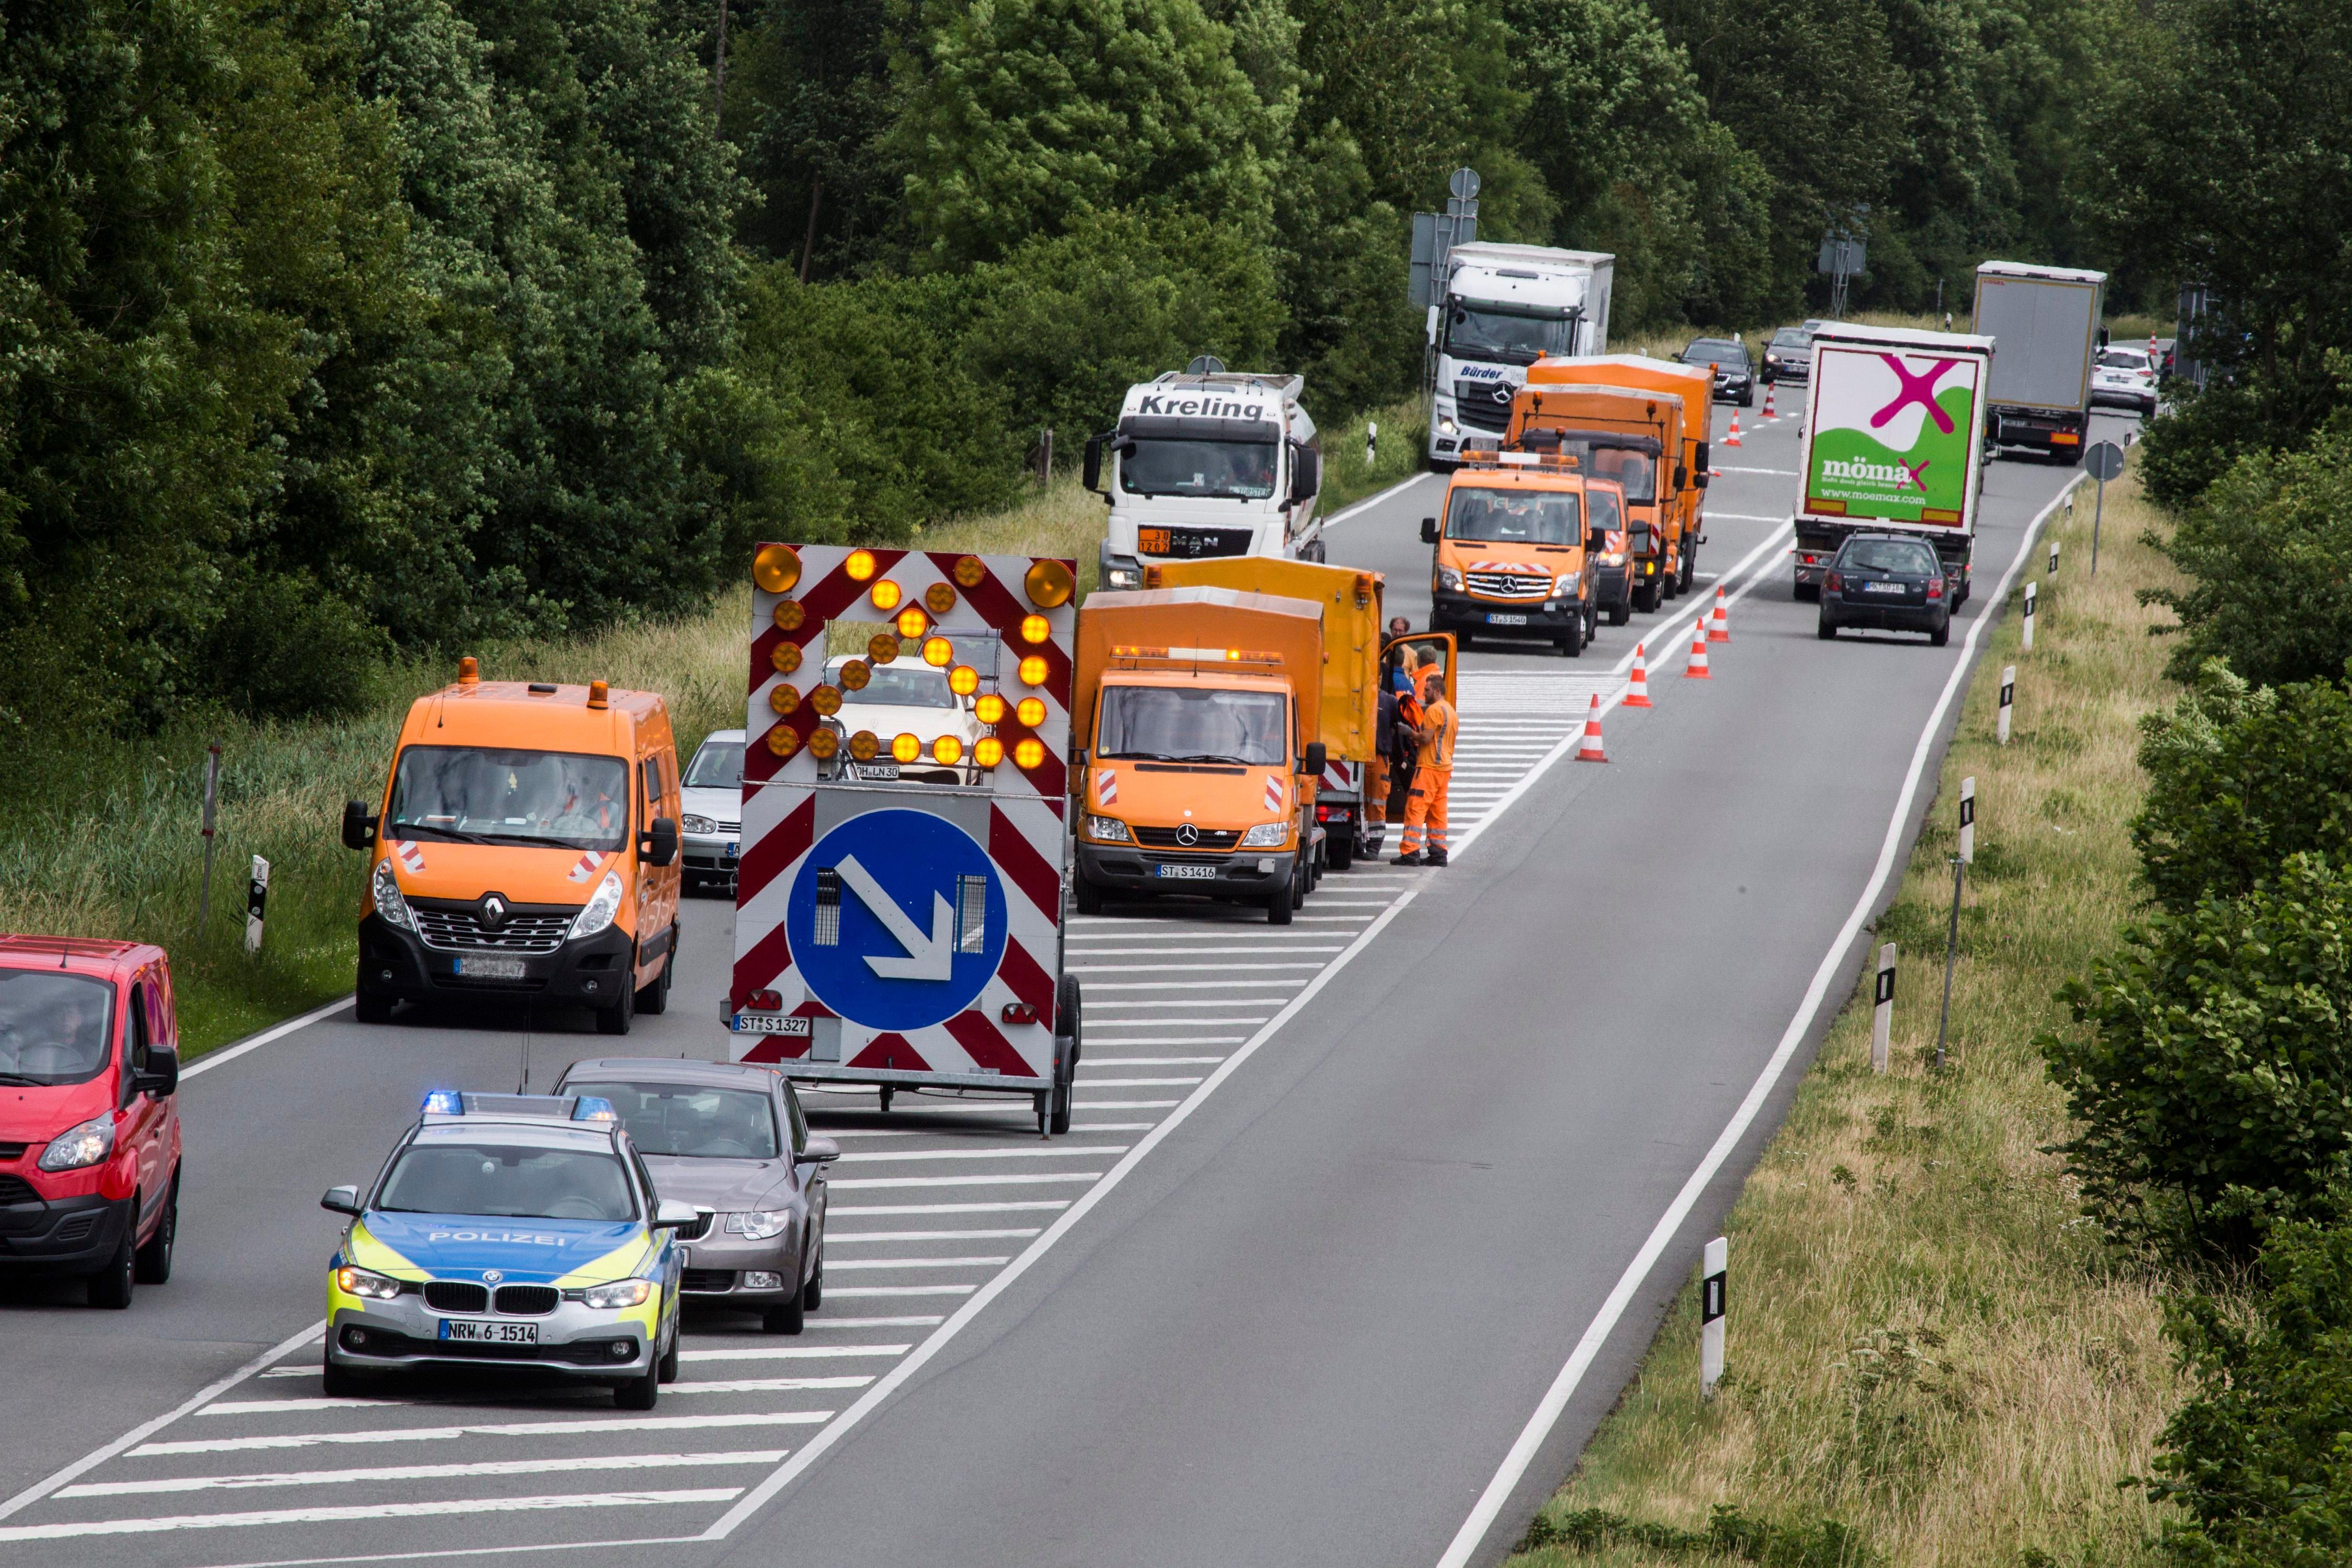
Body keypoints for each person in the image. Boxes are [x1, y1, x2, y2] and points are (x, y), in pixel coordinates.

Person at [1393, 649, 1457, 867]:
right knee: (1438, 813)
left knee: (1415, 808)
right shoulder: (1451, 711)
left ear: (1437, 691)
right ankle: (1439, 853)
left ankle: (1410, 852)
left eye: (1428, 690)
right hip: (1444, 769)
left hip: (1428, 768)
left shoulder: (1434, 711)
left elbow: (1426, 738)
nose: (1425, 692)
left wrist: (1408, 732)